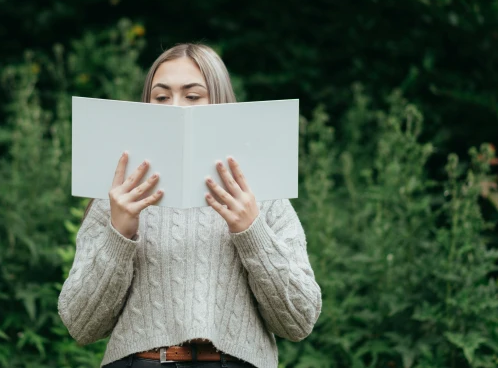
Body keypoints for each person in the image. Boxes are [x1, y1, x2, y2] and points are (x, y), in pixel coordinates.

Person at [58, 43, 322, 368]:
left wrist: (252, 231)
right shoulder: (119, 192)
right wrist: (119, 233)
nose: (176, 107)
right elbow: (80, 324)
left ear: (220, 102)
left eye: (193, 96)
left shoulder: (261, 191)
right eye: (162, 97)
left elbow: (300, 320)